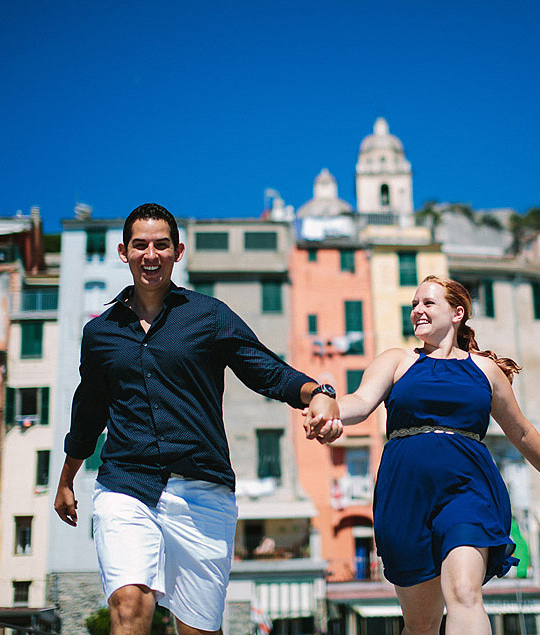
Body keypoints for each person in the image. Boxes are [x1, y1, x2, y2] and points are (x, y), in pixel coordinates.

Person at [54, 203, 341, 635]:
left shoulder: (208, 315)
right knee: (130, 605)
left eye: (161, 245)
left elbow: (264, 368)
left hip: (202, 491)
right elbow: (89, 409)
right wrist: (66, 478)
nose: (151, 255)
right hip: (125, 483)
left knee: (199, 631)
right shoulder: (100, 333)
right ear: (123, 252)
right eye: (140, 245)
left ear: (178, 252)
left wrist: (317, 392)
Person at [328, 275, 540, 634]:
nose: (417, 310)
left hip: (469, 488)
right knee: (421, 625)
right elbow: (361, 401)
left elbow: (522, 431)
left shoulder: (484, 369)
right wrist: (331, 410)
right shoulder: (396, 360)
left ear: (457, 313)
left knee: (464, 591)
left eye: (428, 303)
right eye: (414, 304)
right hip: (405, 495)